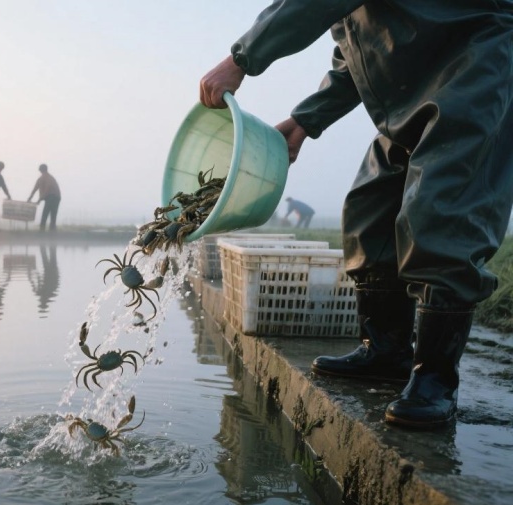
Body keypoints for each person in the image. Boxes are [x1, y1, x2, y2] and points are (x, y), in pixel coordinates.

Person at [199, 2, 513, 429]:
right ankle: (386, 350)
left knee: (440, 212)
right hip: (410, 91)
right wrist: (305, 121)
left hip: (476, 60)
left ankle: (436, 380)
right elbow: (356, 61)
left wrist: (242, 58)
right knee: (370, 207)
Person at [27, 163, 61, 231]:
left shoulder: (48, 178)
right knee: (51, 214)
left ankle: (45, 229)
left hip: (54, 197)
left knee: (48, 213)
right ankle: (48, 229)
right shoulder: (41, 178)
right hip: (54, 197)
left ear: (41, 170)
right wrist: (30, 198)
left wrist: (39, 199)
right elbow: (35, 188)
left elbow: (47, 189)